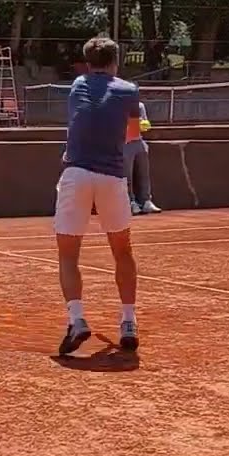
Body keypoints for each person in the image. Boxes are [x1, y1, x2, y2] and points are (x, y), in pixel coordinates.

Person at [53, 35, 140, 356]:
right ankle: (128, 321)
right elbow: (132, 135)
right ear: (116, 61)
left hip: (76, 174)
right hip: (112, 177)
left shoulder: (77, 86)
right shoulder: (130, 91)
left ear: (88, 63)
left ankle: (77, 320)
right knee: (123, 251)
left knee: (67, 255)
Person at [125, 101, 161, 215]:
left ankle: (146, 201)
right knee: (127, 175)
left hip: (138, 141)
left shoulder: (139, 106)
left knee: (144, 173)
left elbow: (145, 125)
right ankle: (130, 202)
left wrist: (141, 124)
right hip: (123, 143)